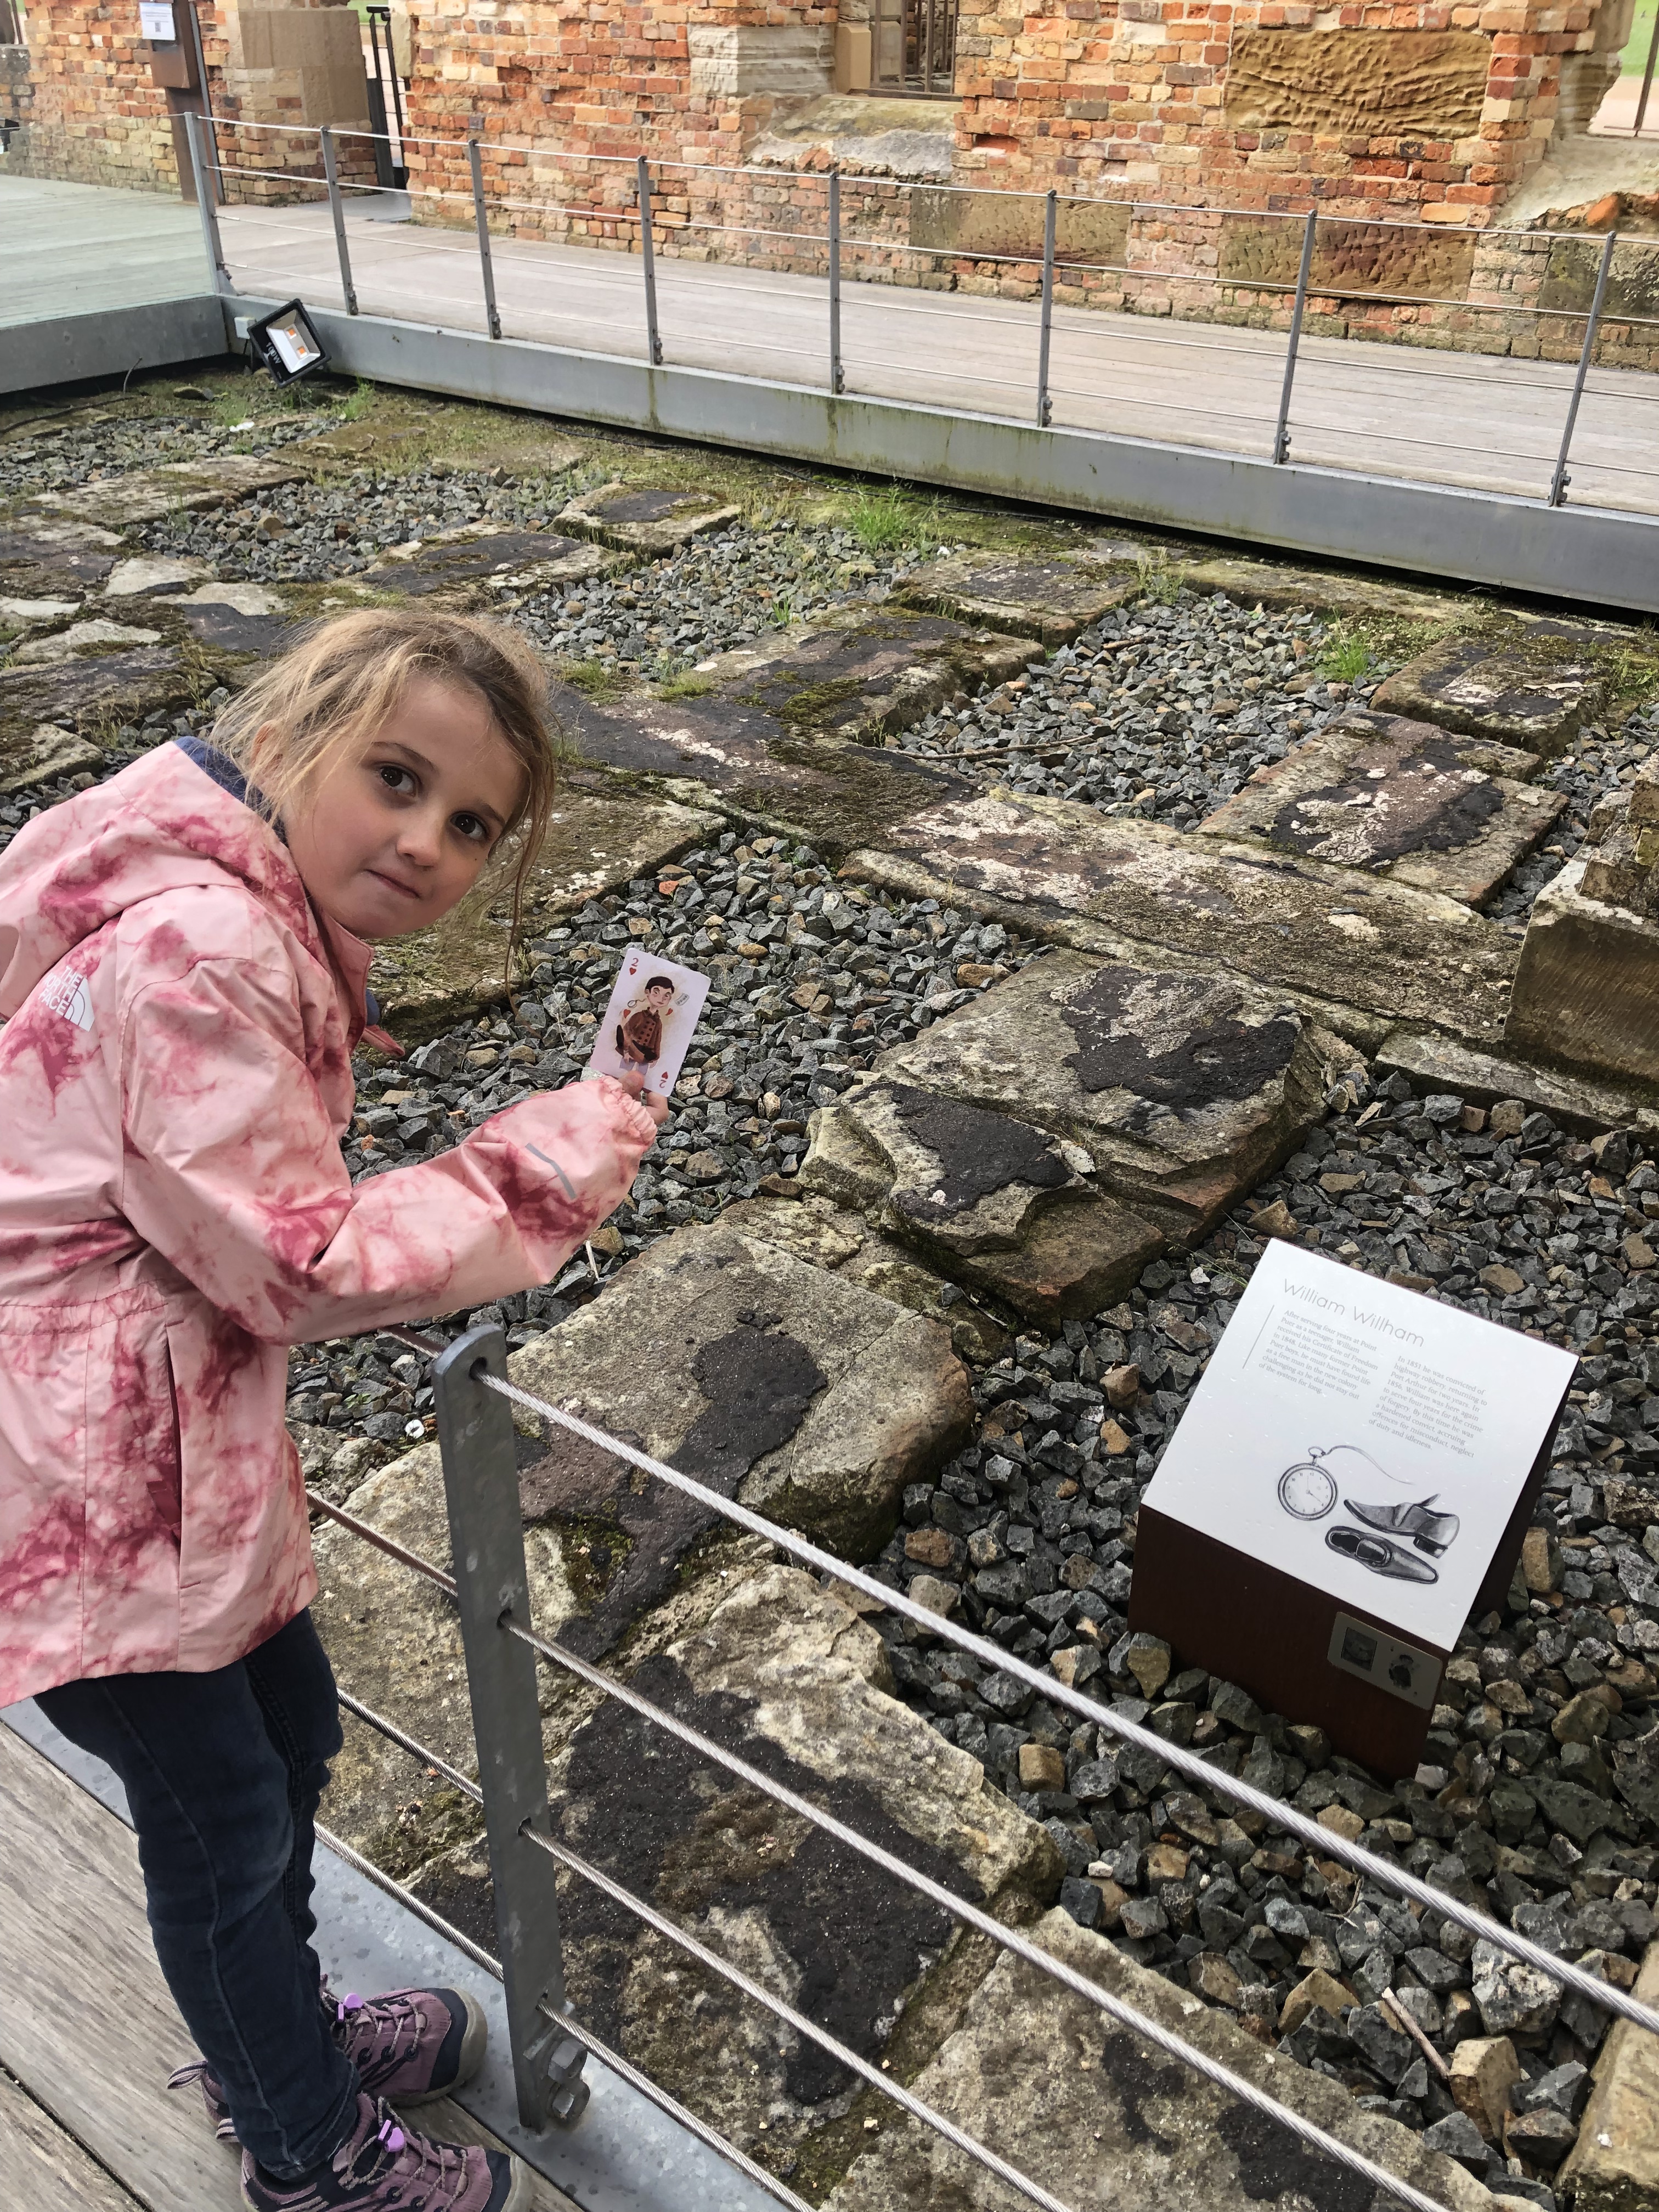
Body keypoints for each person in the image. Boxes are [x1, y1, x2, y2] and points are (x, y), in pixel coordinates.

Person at [0, 609, 664, 2212]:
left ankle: (278, 2036)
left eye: (473, 824)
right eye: (397, 778)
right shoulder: (203, 956)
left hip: (148, 1444)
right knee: (223, 1829)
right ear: (291, 741)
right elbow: (295, 1264)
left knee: (291, 1740)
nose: (428, 843)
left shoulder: (222, 898)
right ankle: (305, 2150)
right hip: (77, 1497)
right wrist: (553, 1161)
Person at [616, 973, 674, 1070]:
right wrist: (626, 1051)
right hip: (632, 1049)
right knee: (623, 1070)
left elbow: (658, 1040)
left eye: (667, 996)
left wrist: (656, 1057)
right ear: (647, 992)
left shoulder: (658, 1022)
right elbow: (626, 1032)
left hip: (647, 1054)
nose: (661, 998)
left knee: (642, 1074)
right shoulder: (639, 1016)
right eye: (656, 992)